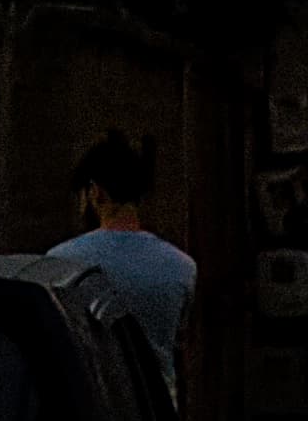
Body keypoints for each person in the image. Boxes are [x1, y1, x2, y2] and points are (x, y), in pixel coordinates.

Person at [47, 132, 198, 376]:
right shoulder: (182, 266)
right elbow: (180, 340)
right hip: (157, 406)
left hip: (93, 402)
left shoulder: (59, 262)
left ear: (95, 191)